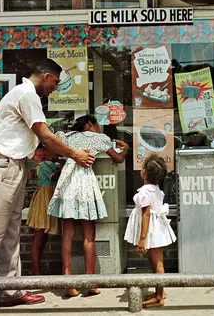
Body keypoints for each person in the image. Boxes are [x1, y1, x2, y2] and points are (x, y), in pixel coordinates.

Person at [0, 58, 95, 306]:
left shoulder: (22, 94)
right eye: (56, 83)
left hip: (10, 166)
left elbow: (30, 139)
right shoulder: (27, 96)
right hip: (3, 167)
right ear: (47, 76)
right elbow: (45, 135)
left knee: (9, 234)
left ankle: (11, 291)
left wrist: (38, 154)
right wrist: (75, 154)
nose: (55, 88)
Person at [47, 115, 129, 297]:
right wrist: (126, 149)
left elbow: (53, 148)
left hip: (67, 183)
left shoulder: (67, 137)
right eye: (97, 124)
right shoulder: (99, 138)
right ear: (90, 124)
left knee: (68, 233)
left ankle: (68, 281)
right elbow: (118, 159)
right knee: (89, 235)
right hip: (84, 183)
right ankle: (90, 283)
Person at [124, 154, 177, 308]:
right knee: (155, 263)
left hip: (151, 232)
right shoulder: (156, 189)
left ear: (144, 172)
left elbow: (146, 214)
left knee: (158, 264)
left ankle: (160, 296)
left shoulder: (144, 192)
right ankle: (159, 291)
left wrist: (142, 238)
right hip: (156, 229)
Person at [27, 144, 61, 275]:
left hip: (49, 198)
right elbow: (54, 177)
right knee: (39, 237)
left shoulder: (49, 164)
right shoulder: (44, 165)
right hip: (44, 200)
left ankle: (33, 268)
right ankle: (35, 269)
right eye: (41, 155)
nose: (44, 156)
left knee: (43, 238)